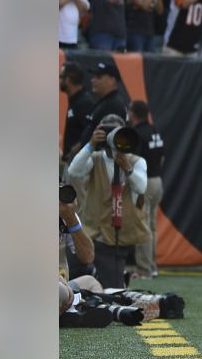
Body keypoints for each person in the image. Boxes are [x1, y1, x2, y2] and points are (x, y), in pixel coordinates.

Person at [66, 114, 150, 288]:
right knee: (74, 274)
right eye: (107, 131)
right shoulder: (95, 157)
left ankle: (114, 278)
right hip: (92, 232)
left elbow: (141, 187)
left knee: (112, 289)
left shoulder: (136, 161)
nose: (112, 137)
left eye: (116, 131)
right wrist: (91, 144)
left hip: (118, 237)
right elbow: (74, 171)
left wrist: (127, 167)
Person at [129, 100, 165, 279]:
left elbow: (133, 160)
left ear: (133, 113)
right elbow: (163, 157)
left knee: (143, 225)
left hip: (145, 183)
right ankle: (152, 266)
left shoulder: (137, 133)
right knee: (151, 226)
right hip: (158, 180)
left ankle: (144, 269)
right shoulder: (154, 130)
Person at [83, 61, 129, 144]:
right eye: (94, 76)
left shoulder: (114, 105)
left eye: (98, 77)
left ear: (112, 80)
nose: (93, 80)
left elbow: (110, 142)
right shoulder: (104, 101)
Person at [60, 62, 95, 166]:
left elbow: (91, 132)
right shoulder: (75, 100)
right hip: (72, 162)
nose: (59, 80)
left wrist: (74, 151)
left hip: (79, 165)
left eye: (61, 77)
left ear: (68, 79)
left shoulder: (84, 102)